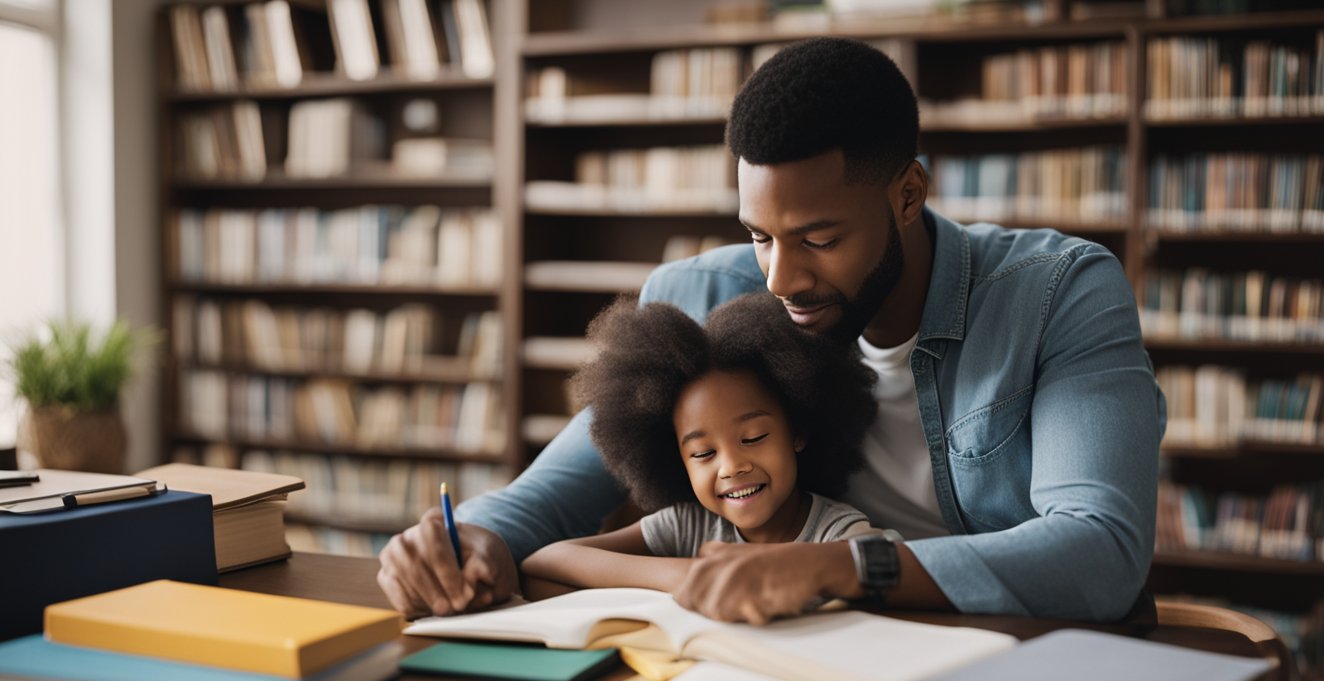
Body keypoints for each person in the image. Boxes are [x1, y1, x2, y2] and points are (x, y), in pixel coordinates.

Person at [377, 37, 1166, 623]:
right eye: (760, 236)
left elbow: (1101, 551)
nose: (780, 280)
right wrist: (471, 538)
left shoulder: (1059, 292)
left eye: (819, 239)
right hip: (802, 660)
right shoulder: (698, 297)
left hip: (1010, 666)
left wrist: (840, 567)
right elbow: (548, 499)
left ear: (908, 194)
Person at [520, 293, 891, 610]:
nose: (732, 466)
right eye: (702, 454)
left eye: (753, 437)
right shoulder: (688, 526)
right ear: (676, 460)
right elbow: (542, 565)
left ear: (798, 432)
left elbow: (890, 575)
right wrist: (684, 576)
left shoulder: (838, 532)